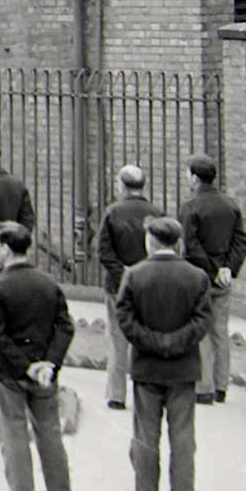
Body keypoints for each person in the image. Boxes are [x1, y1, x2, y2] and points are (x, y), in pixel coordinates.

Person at [115, 216, 212, 491]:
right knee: (182, 435)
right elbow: (202, 321)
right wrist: (175, 343)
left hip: (147, 365)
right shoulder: (197, 277)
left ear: (150, 242)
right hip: (183, 367)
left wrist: (153, 342)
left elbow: (125, 319)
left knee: (145, 433)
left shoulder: (133, 275)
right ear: (178, 242)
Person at [0, 221, 75, 491]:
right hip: (46, 372)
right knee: (49, 429)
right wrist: (49, 363)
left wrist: (27, 367)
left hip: (11, 372)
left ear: (8, 250)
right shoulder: (48, 283)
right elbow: (65, 326)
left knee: (12, 431)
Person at [179, 154, 246, 405]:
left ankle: (203, 387)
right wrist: (227, 268)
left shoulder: (190, 208)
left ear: (196, 178)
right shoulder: (230, 205)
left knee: (201, 331)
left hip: (199, 277)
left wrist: (212, 269)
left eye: (188, 173)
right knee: (220, 330)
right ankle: (221, 386)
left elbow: (191, 246)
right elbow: (241, 242)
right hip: (224, 279)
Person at [96, 163, 161, 411]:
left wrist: (121, 272)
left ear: (121, 185)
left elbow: (103, 250)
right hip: (149, 285)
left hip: (117, 284)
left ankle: (116, 394)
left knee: (117, 338)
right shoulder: (156, 212)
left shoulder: (112, 212)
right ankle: (146, 393)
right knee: (145, 338)